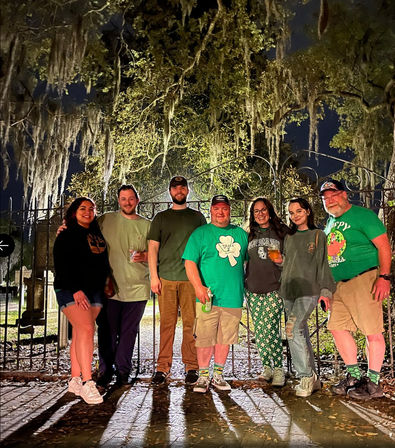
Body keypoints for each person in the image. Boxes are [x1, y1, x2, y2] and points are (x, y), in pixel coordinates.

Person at [320, 179, 392, 400]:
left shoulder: (363, 216)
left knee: (372, 330)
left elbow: (383, 245)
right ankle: (353, 376)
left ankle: (373, 382)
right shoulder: (330, 223)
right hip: (338, 285)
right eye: (325, 198)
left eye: (333, 195)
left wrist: (384, 277)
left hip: (364, 279)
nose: (330, 201)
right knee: (336, 327)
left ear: (344, 195)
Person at [183, 195, 248, 393]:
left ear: (230, 210)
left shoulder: (240, 234)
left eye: (225, 208)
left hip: (233, 296)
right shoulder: (200, 234)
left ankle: (218, 375)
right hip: (207, 296)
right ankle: (203, 376)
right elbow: (189, 262)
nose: (221, 212)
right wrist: (198, 287)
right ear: (210, 210)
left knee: (225, 338)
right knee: (204, 337)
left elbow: (248, 261)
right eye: (217, 208)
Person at [148, 176, 206, 385]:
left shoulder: (197, 218)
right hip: (166, 278)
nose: (179, 190)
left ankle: (192, 367)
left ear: (187, 191)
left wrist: (203, 281)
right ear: (170, 191)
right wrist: (154, 276)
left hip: (191, 280)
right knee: (167, 325)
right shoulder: (161, 218)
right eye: (175, 187)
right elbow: (153, 248)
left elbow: (204, 248)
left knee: (191, 325)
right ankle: (163, 368)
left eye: (183, 187)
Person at [53, 197, 110, 404]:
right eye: (83, 208)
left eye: (91, 209)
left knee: (80, 332)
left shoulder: (96, 234)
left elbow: (102, 262)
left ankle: (75, 380)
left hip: (95, 290)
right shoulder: (66, 234)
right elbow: (61, 264)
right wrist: (76, 289)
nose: (87, 212)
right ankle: (88, 382)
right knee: (86, 329)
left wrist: (108, 281)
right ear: (74, 211)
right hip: (70, 289)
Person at [279, 198, 336, 397]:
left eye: (299, 211)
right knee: (299, 331)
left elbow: (324, 265)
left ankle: (305, 376)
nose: (295, 216)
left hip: (308, 291)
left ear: (308, 212)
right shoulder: (289, 237)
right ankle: (314, 379)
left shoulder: (318, 235)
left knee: (292, 329)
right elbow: (286, 263)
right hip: (288, 291)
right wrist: (276, 259)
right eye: (291, 213)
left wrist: (325, 292)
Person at [97, 185, 150, 386]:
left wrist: (146, 255)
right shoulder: (105, 219)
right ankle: (105, 370)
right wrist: (65, 227)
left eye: (131, 198)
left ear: (137, 200)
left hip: (138, 287)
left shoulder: (148, 225)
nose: (127, 202)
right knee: (107, 331)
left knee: (129, 332)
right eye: (123, 198)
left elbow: (160, 251)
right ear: (118, 200)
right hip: (110, 287)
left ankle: (122, 371)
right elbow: (82, 228)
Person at [244, 198, 289, 386]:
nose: (260, 213)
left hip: (275, 287)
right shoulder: (247, 234)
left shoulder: (282, 232)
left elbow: (292, 260)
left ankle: (279, 369)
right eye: (256, 211)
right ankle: (267, 367)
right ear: (252, 215)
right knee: (261, 330)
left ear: (270, 211)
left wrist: (281, 260)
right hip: (253, 289)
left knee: (270, 328)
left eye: (263, 210)